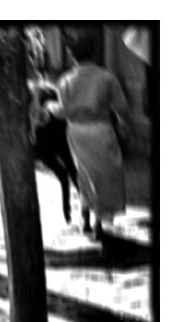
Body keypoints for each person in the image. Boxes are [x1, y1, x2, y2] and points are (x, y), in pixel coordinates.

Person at [46, 31, 133, 239]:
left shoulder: (66, 80)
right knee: (104, 175)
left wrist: (49, 106)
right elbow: (122, 108)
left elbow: (63, 111)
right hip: (101, 130)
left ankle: (85, 217)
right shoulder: (106, 78)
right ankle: (98, 223)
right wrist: (124, 124)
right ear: (94, 54)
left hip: (76, 131)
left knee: (83, 174)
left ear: (73, 56)